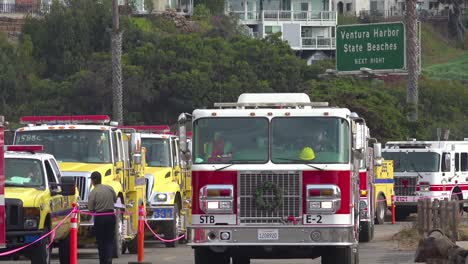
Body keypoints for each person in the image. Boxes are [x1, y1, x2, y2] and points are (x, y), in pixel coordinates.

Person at [88, 171, 117, 264]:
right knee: (109, 240)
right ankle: (109, 260)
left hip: (100, 218)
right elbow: (115, 199)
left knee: (101, 241)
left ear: (93, 180)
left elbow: (91, 209)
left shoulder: (93, 192)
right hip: (111, 216)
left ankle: (103, 261)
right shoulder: (109, 188)